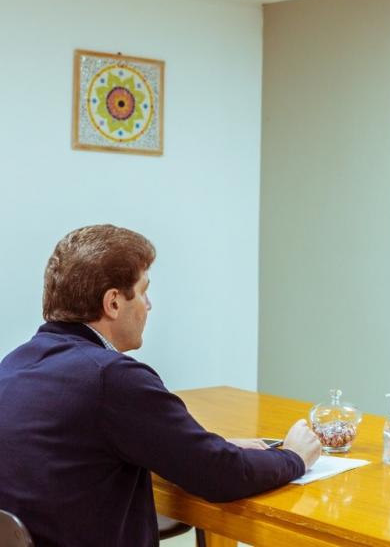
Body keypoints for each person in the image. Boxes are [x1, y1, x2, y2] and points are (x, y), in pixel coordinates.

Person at [0, 225, 321, 547]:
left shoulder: (13, 365)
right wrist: (294, 456)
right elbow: (220, 477)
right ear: (113, 302)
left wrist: (211, 446)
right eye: (143, 291)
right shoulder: (111, 377)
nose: (148, 305)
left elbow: (83, 449)